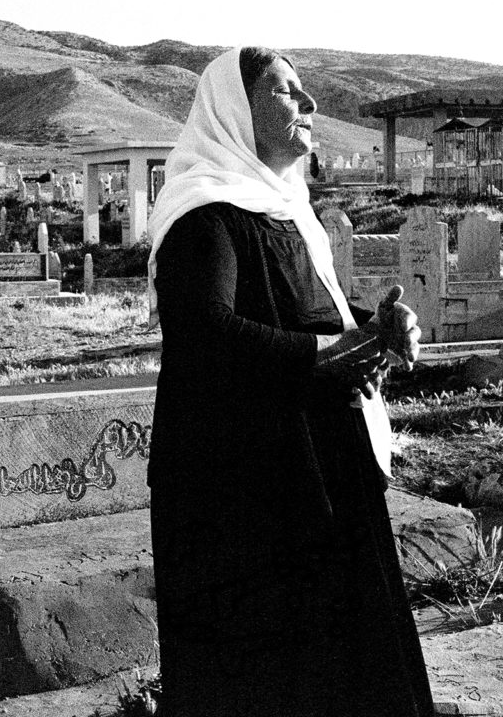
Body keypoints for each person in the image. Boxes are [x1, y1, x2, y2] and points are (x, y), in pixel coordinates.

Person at [146, 47, 431, 716]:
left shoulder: (285, 210)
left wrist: (378, 328)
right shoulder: (203, 216)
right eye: (284, 90)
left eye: (303, 90)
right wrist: (329, 354)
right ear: (235, 111)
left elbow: (309, 311)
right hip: (242, 491)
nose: (308, 105)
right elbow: (203, 331)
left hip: (318, 471)